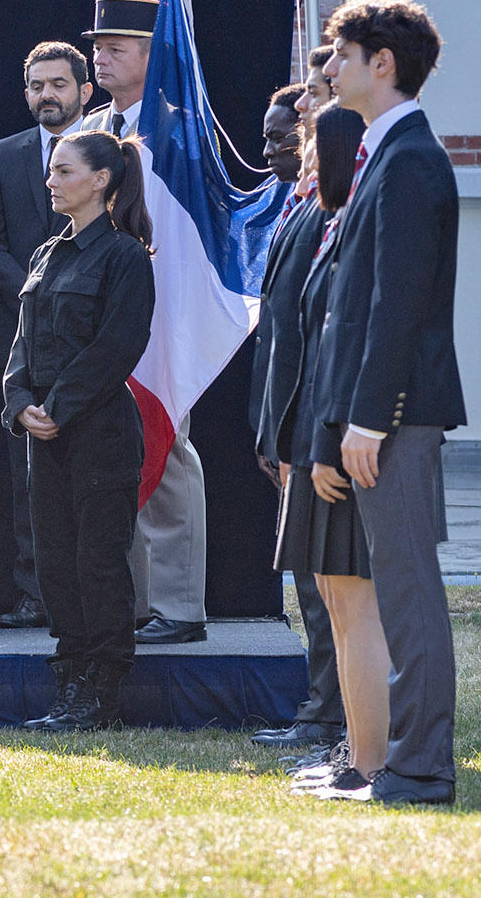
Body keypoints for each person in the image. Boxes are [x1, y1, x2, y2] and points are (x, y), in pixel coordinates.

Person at [313, 0, 464, 806]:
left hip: (395, 418)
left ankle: (418, 766)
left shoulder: (407, 158)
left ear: (383, 63)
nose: (329, 66)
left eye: (341, 52)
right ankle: (407, 760)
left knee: (406, 593)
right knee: (400, 590)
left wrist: (370, 416)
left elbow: (394, 304)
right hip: (380, 414)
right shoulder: (385, 152)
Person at [3, 130, 157, 731]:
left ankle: (102, 693)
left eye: (64, 171)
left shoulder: (124, 256)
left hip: (99, 435)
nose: (51, 180)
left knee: (97, 562)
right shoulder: (47, 253)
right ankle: (69, 684)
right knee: (56, 565)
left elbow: (118, 346)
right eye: (51, 170)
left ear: (100, 180)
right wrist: (19, 403)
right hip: (47, 434)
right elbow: (23, 342)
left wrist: (59, 406)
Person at [79, 0, 208, 647]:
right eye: (96, 46)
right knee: (113, 456)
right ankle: (128, 601)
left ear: (149, 54)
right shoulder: (94, 126)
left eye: (115, 46)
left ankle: (179, 604)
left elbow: (189, 233)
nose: (100, 55)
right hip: (105, 312)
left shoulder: (179, 130)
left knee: (166, 449)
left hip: (162, 315)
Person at [274, 108, 387, 800]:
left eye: (314, 152)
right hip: (315, 430)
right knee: (333, 601)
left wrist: (321, 443)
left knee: (354, 605)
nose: (303, 162)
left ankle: (369, 759)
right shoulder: (329, 226)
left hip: (340, 438)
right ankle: (353, 748)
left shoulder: (348, 233)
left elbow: (342, 348)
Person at [0, 40, 90, 631]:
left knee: (90, 478)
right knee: (26, 481)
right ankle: (33, 593)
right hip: (18, 343)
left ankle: (87, 597)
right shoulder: (2, 154)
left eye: (59, 84)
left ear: (83, 92)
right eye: (38, 85)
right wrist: (38, 292)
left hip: (91, 342)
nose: (48, 94)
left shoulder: (107, 151)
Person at [246, 84, 347, 755]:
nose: (268, 150)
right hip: (284, 423)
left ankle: (327, 718)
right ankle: (320, 711)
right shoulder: (288, 209)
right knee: (305, 585)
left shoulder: (323, 213)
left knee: (322, 585)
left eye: (281, 138)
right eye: (265, 137)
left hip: (314, 426)